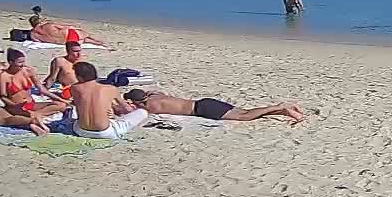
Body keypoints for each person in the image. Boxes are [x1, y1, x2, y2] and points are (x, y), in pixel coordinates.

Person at [124, 89, 305, 124]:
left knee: (245, 116)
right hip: (204, 102)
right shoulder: (156, 95)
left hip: (203, 110)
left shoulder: (151, 106)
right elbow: (155, 91)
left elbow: (131, 113)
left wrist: (129, 105)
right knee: (245, 112)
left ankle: (280, 106)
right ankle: (283, 112)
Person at [69, 62, 149, 139]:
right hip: (104, 133)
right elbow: (127, 109)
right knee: (143, 112)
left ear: (79, 76)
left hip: (80, 131)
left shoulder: (75, 88)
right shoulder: (110, 89)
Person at [0, 46, 68, 119]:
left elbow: (42, 89)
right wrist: (14, 105)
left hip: (30, 104)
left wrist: (61, 99)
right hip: (15, 107)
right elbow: (2, 96)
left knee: (61, 105)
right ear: (10, 62)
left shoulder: (28, 71)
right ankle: (35, 115)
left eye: (23, 61)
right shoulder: (4, 76)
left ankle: (36, 115)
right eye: (20, 62)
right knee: (28, 113)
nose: (23, 64)